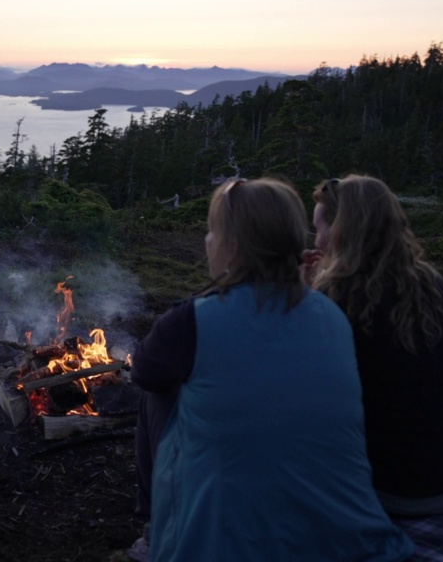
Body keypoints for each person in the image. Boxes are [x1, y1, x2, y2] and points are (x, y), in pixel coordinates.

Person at [131, 177, 413, 561]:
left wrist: (215, 289)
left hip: (228, 548)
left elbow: (143, 373)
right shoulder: (330, 313)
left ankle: (155, 526)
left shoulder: (191, 322)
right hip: (352, 543)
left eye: (213, 232)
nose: (207, 241)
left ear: (232, 246)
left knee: (160, 390)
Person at [309, 175, 443, 516]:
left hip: (398, 488)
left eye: (319, 228)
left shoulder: (338, 294)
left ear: (343, 230)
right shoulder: (429, 280)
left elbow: (305, 392)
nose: (316, 242)